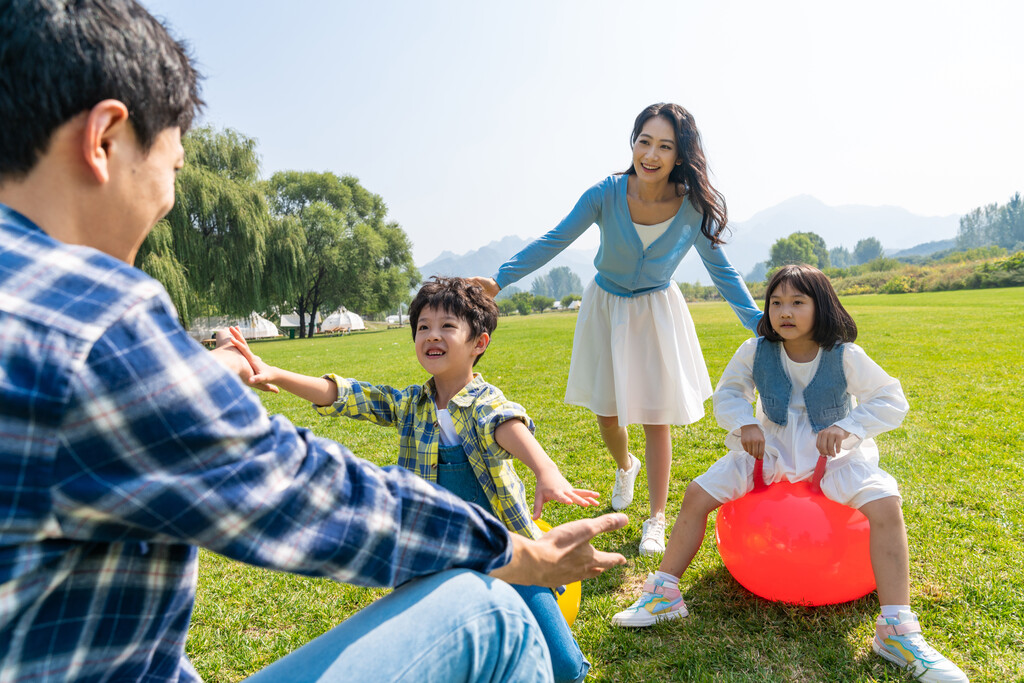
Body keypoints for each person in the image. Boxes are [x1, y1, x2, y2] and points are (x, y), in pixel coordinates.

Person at [0, 2, 627, 681]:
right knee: (488, 612)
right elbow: (313, 489)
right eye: (173, 169)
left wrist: (188, 374)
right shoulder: (96, 322)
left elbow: (511, 429)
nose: (169, 202)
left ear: (479, 341)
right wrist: (528, 554)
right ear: (106, 138)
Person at [225, 275, 600, 682]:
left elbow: (507, 423)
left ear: (480, 343)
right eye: (423, 327)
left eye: (447, 326)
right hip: (437, 552)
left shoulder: (483, 401)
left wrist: (546, 470)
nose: (431, 335)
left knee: (562, 663)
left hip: (505, 548)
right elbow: (348, 395)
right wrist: (275, 373)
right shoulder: (412, 404)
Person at [610, 264, 968, 683]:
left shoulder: (845, 355)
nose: (785, 311)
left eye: (798, 302)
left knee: (886, 503)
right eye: (776, 302)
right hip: (769, 451)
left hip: (831, 456)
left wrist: (848, 427)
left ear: (823, 306)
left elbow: (891, 399)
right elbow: (728, 393)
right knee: (697, 493)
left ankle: (896, 630)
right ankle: (664, 592)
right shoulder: (754, 350)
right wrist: (745, 424)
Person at [470, 103, 762, 556]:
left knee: (655, 416)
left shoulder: (691, 208)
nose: (651, 153)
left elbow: (722, 270)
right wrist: (500, 279)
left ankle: (657, 518)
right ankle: (625, 465)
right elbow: (555, 239)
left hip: (656, 310)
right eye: (643, 141)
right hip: (605, 306)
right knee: (608, 413)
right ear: (633, 143)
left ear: (680, 155)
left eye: (664, 146)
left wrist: (758, 322)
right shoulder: (604, 194)